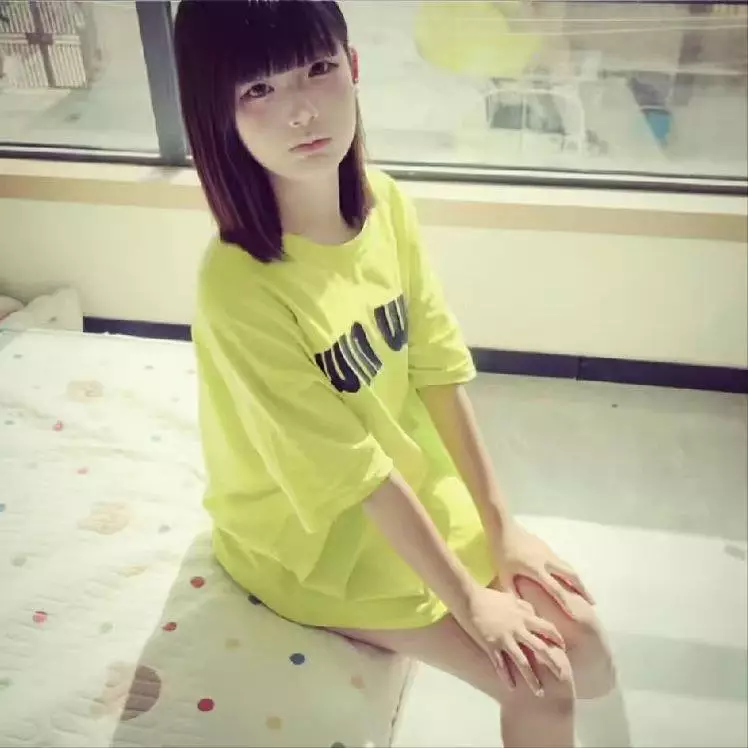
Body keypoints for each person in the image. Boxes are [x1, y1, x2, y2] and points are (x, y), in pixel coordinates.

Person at [174, 2, 623, 747]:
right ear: (215, 110)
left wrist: (502, 526)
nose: (301, 111)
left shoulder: (386, 204)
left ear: (353, 67)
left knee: (588, 643)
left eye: (318, 69)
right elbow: (351, 475)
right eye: (259, 89)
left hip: (405, 484)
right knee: (544, 684)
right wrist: (470, 601)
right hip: (310, 537)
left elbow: (436, 367)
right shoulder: (239, 287)